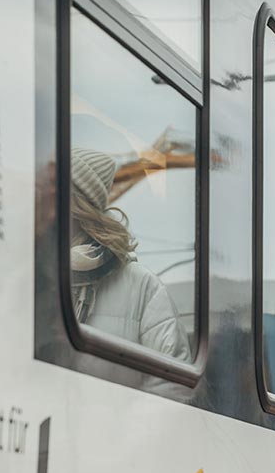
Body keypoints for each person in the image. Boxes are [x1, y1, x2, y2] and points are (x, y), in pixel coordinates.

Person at [70, 147, 191, 362]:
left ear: (75, 207)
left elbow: (172, 388)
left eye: (51, 191)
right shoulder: (29, 273)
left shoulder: (144, 289)